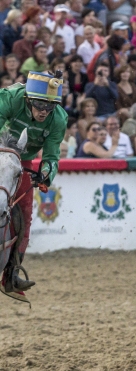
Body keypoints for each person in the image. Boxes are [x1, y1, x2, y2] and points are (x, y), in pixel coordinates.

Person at [0, 71, 68, 302]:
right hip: (0, 151)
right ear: (28, 99)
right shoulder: (10, 97)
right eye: (39, 105)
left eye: (49, 107)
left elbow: (51, 155)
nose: (43, 111)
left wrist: (45, 175)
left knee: (26, 213)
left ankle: (12, 273)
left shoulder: (58, 118)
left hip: (22, 160)